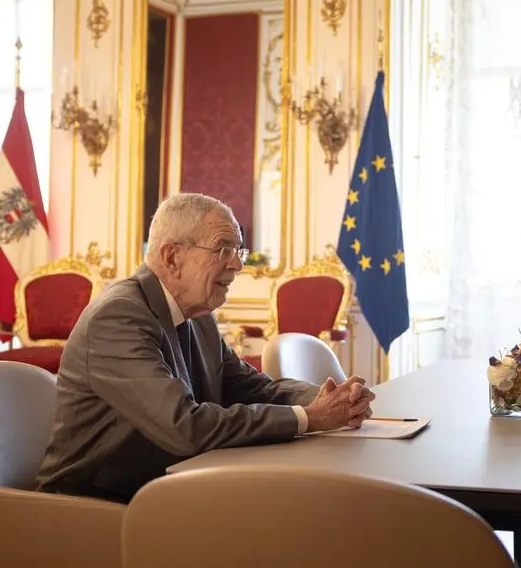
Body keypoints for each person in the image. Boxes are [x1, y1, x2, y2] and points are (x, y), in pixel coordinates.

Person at [35, 192, 373, 502]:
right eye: (224, 249)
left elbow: (250, 387)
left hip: (163, 486)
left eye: (238, 251)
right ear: (172, 257)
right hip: (92, 505)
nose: (238, 265)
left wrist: (332, 400)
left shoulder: (199, 316)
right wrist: (308, 418)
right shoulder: (117, 317)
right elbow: (185, 427)